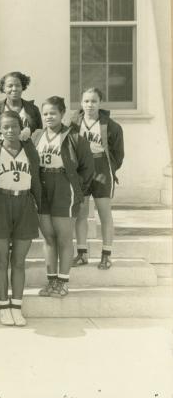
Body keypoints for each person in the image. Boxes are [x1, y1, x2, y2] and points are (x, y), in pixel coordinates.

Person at [0, 111, 42, 326]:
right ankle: (3, 305)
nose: (10, 130)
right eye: (5, 127)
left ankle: (17, 305)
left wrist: (40, 210)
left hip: (24, 204)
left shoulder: (30, 148)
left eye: (14, 126)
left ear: (21, 127)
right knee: (1, 259)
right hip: (0, 204)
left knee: (19, 261)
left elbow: (37, 181)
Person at [32, 96, 94, 298]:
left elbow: (87, 168)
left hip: (63, 186)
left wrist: (76, 188)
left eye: (53, 113)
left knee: (64, 237)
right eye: (45, 113)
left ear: (62, 114)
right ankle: (51, 281)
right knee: (48, 237)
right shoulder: (36, 135)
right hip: (41, 186)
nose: (49, 117)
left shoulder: (74, 136)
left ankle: (63, 282)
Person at [70, 88, 124, 270]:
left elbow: (118, 154)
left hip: (101, 168)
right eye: (86, 101)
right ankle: (82, 253)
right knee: (81, 213)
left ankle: (106, 255)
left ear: (100, 103)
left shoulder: (111, 125)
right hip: (81, 170)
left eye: (93, 101)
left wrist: (109, 168)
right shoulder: (73, 122)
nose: (89, 105)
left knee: (104, 212)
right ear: (81, 103)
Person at [0, 71, 42, 150]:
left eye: (18, 85)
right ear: (4, 88)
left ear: (23, 87)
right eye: (10, 86)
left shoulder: (33, 109)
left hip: (28, 155)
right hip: (2, 155)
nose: (14, 89)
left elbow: (40, 136)